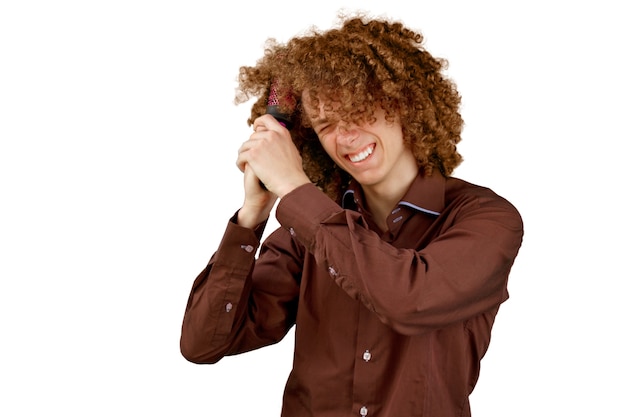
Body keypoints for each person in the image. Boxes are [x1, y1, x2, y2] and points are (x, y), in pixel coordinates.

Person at [180, 13, 523, 417]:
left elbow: (407, 298)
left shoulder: (486, 219)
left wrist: (294, 189)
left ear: (406, 103)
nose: (346, 137)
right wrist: (251, 217)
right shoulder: (303, 233)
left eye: (359, 111)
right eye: (326, 124)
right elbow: (204, 344)